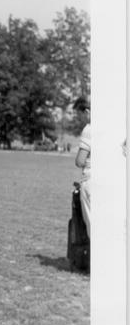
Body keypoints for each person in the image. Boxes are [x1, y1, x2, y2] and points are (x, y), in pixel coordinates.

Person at [73, 97, 90, 238]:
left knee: (91, 225)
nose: (80, 120)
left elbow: (80, 161)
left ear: (87, 112)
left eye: (80, 115)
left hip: (90, 179)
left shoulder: (88, 129)